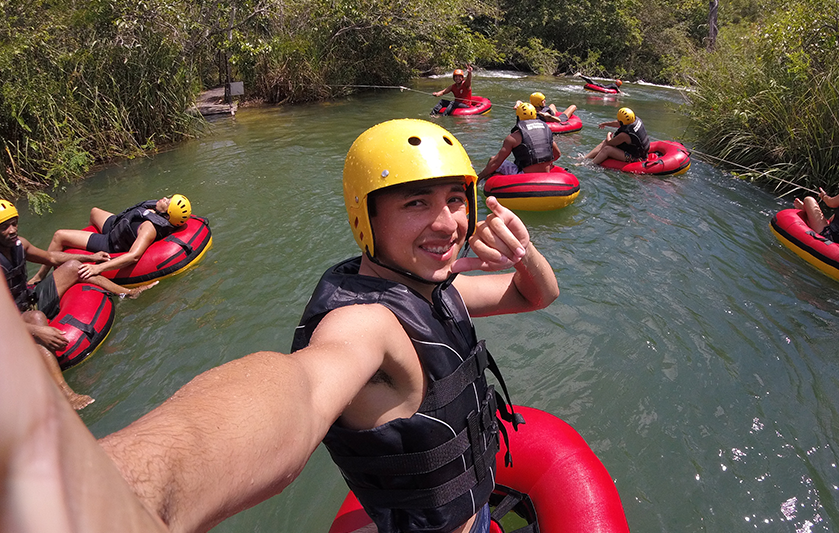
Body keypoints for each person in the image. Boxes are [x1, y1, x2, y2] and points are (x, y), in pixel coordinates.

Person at [0, 119, 559, 533]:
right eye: (417, 203)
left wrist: (523, 249)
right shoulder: (363, 324)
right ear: (367, 218)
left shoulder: (439, 287)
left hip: (472, 510)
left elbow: (537, 295)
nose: (448, 223)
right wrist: (113, 492)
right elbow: (298, 389)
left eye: (457, 200)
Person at [0, 200, 156, 410]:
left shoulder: (21, 244)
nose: (12, 230)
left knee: (74, 267)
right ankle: (66, 394)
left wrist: (89, 256)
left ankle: (129, 293)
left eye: (13, 223)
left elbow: (52, 256)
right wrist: (38, 331)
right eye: (4, 227)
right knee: (37, 319)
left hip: (27, 301)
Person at [31, 194, 192, 283]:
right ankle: (84, 241)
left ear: (167, 214)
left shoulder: (149, 228)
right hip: (117, 225)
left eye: (168, 202)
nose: (164, 198)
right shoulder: (156, 211)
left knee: (59, 236)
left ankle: (39, 277)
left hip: (110, 242)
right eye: (168, 197)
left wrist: (97, 268)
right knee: (94, 211)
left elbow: (134, 256)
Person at [480, 102, 561, 179]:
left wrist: (479, 177)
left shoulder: (512, 138)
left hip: (524, 177)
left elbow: (496, 162)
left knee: (492, 159)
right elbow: (557, 154)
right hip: (545, 174)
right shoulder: (546, 131)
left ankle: (481, 184)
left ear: (518, 117)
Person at [585, 107, 650, 165]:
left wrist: (608, 134)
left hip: (637, 158)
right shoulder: (634, 120)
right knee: (604, 143)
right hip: (638, 150)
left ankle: (590, 164)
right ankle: (585, 158)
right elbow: (617, 123)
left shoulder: (625, 135)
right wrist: (605, 124)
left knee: (607, 149)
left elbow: (609, 142)